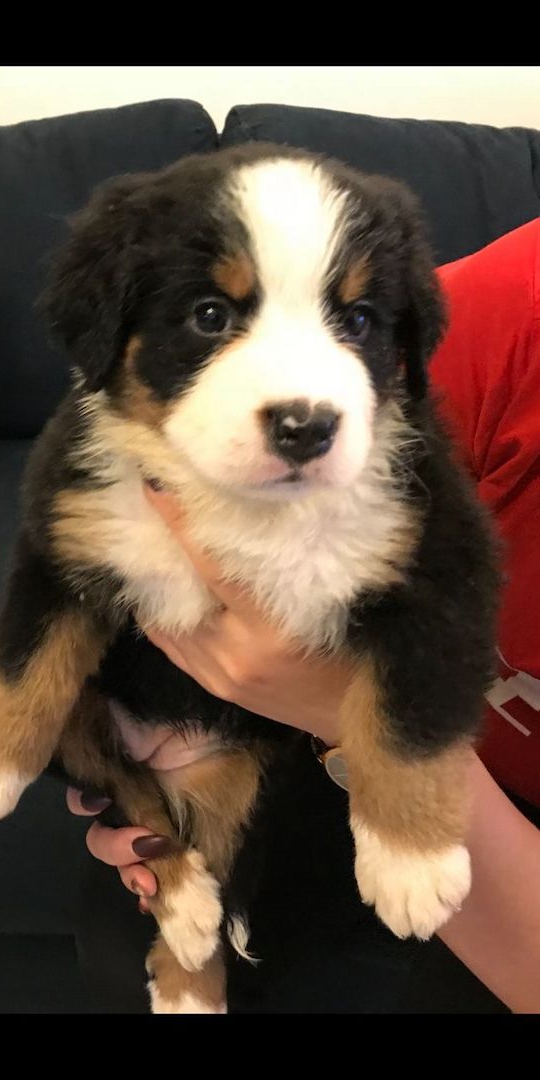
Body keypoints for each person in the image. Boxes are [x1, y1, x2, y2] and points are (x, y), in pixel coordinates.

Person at [68, 219, 540, 1014]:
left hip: (408, 766)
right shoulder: (497, 318)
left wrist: (349, 715)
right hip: (323, 752)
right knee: (127, 923)